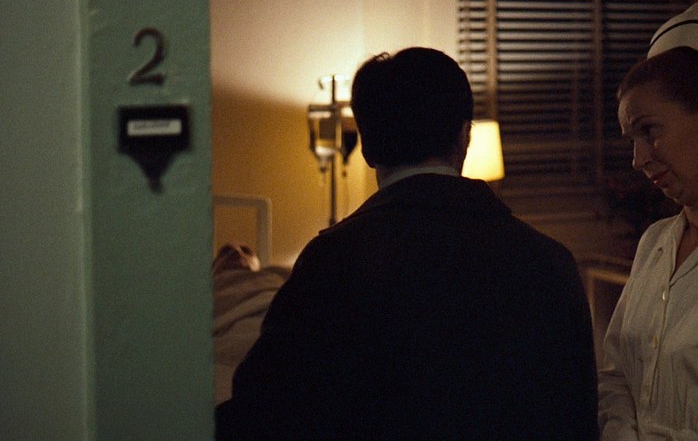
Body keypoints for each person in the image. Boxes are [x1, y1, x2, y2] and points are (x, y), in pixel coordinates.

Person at [215, 47, 599, 439]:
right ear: (464, 136)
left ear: (367, 147)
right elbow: (579, 415)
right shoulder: (550, 262)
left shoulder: (332, 262)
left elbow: (263, 406)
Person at [598, 4, 698, 440]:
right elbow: (615, 377)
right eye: (632, 140)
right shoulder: (655, 244)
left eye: (649, 131)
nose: (638, 158)